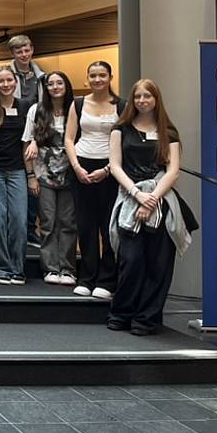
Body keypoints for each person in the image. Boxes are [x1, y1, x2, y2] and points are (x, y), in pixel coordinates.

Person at [108, 80, 191, 336]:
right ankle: (121, 313)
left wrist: (152, 198)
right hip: (128, 200)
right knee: (131, 260)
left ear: (156, 99)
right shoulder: (120, 129)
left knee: (158, 264)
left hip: (162, 201)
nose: (143, 100)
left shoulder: (169, 131)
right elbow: (115, 166)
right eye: (138, 96)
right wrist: (136, 195)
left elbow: (173, 170)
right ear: (132, 100)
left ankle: (147, 319)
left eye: (148, 96)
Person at [64, 60, 123, 300]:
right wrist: (76, 166)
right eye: (93, 75)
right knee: (85, 225)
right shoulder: (78, 103)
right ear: (87, 78)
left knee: (108, 226)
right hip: (82, 167)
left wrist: (108, 169)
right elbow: (68, 138)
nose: (98, 80)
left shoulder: (122, 105)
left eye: (102, 75)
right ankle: (87, 277)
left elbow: (124, 143)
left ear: (110, 77)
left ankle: (107, 280)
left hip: (110, 169)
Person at [24, 71, 78, 286]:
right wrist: (31, 176)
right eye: (50, 84)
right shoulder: (36, 110)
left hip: (71, 175)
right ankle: (50, 268)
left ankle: (67, 268)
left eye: (59, 83)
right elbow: (27, 143)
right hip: (43, 175)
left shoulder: (76, 109)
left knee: (68, 223)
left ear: (66, 85)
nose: (55, 87)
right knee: (48, 222)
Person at [0, 66, 30, 285]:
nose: (5, 84)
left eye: (9, 80)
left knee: (19, 219)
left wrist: (30, 172)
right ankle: (1, 267)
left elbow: (30, 137)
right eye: (0, 81)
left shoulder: (24, 106)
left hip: (17, 170)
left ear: (15, 82)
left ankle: (18, 267)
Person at [8, 34, 44, 247]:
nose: (24, 54)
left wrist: (37, 138)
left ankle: (31, 229)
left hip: (35, 136)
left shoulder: (42, 77)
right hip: (11, 134)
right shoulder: (5, 75)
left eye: (26, 50)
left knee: (34, 182)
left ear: (32, 50)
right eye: (19, 51)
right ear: (13, 54)